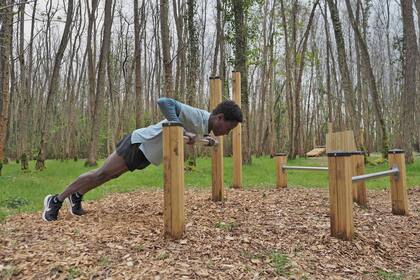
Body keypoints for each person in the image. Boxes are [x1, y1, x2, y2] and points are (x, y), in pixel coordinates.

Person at [42, 97, 243, 221]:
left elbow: (187, 135)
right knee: (100, 172)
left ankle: (76, 196)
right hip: (138, 144)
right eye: (229, 128)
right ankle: (55, 200)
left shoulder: (204, 125)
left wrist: (201, 139)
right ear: (220, 118)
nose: (226, 133)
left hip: (146, 154)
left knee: (108, 176)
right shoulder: (198, 117)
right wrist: (178, 128)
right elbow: (165, 102)